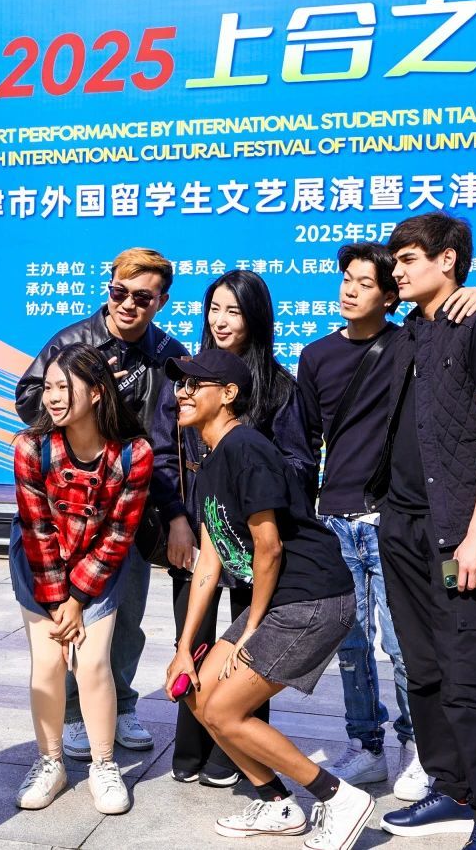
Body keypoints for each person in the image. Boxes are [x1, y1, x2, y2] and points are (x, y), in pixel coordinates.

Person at [297, 244, 476, 802]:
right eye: (346, 278)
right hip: (335, 520)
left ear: (390, 295)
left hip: (392, 519)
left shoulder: (409, 344)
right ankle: (365, 746)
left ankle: (419, 749)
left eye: (366, 282)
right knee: (349, 643)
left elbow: (458, 319)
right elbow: (305, 441)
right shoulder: (316, 355)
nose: (350, 289)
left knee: (406, 645)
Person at [365, 213, 476, 850]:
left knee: (470, 679)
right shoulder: (413, 329)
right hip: (402, 527)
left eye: (408, 258)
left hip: (459, 534)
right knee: (424, 671)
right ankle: (453, 786)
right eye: (395, 261)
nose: (397, 270)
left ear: (448, 261)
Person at [163, 349, 374, 850]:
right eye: (180, 385)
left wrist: (250, 632)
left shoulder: (248, 449)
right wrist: (183, 648)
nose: (182, 393)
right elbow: (210, 563)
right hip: (282, 601)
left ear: (228, 394)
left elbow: (269, 546)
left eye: (194, 385)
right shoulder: (210, 461)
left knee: (225, 711)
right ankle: (277, 803)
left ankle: (338, 798)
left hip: (311, 600)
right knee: (194, 691)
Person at [15, 247, 191, 759]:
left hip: (131, 504)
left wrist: (177, 514)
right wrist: (82, 391)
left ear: (161, 301)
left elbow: (171, 444)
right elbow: (28, 399)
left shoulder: (169, 355)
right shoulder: (73, 342)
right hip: (67, 504)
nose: (128, 304)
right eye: (119, 292)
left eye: (142, 297)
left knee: (125, 616)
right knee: (67, 617)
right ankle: (74, 714)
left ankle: (122, 703)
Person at [151, 269, 314, 787]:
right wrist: (178, 518)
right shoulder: (186, 377)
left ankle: (234, 755)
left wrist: (250, 479)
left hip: (251, 538)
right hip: (195, 531)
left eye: (234, 311)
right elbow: (163, 456)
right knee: (193, 635)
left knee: (248, 643)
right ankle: (192, 747)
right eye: (214, 309)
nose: (220, 321)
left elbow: (301, 464)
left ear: (255, 318)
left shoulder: (279, 387)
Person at [9, 342, 153, 815]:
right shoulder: (31, 447)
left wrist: (77, 599)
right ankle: (50, 762)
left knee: (92, 664)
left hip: (99, 561)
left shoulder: (133, 452)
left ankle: (104, 764)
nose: (52, 397)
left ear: (96, 392)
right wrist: (58, 601)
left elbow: (119, 533)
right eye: (48, 387)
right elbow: (36, 528)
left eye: (63, 387)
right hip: (39, 562)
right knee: (49, 662)